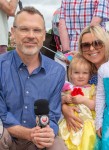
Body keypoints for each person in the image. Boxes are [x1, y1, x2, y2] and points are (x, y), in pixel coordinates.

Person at [0, 6, 67, 150]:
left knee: (58, 147)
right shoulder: (1, 66)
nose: (31, 35)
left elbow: (53, 116)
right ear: (13, 33)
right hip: (5, 135)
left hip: (38, 140)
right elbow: (1, 114)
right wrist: (29, 133)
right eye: (24, 29)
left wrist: (49, 133)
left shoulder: (57, 72)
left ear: (44, 35)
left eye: (37, 30)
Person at [61, 25, 109, 137]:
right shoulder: (87, 72)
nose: (92, 48)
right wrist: (64, 108)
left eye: (97, 43)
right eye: (86, 45)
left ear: (106, 44)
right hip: (88, 128)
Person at [59, 54, 97, 149]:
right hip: (68, 124)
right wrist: (64, 99)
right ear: (70, 73)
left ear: (90, 74)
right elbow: (56, 102)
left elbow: (94, 105)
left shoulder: (93, 89)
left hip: (86, 126)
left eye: (85, 73)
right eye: (76, 73)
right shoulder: (67, 88)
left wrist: (83, 99)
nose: (81, 76)